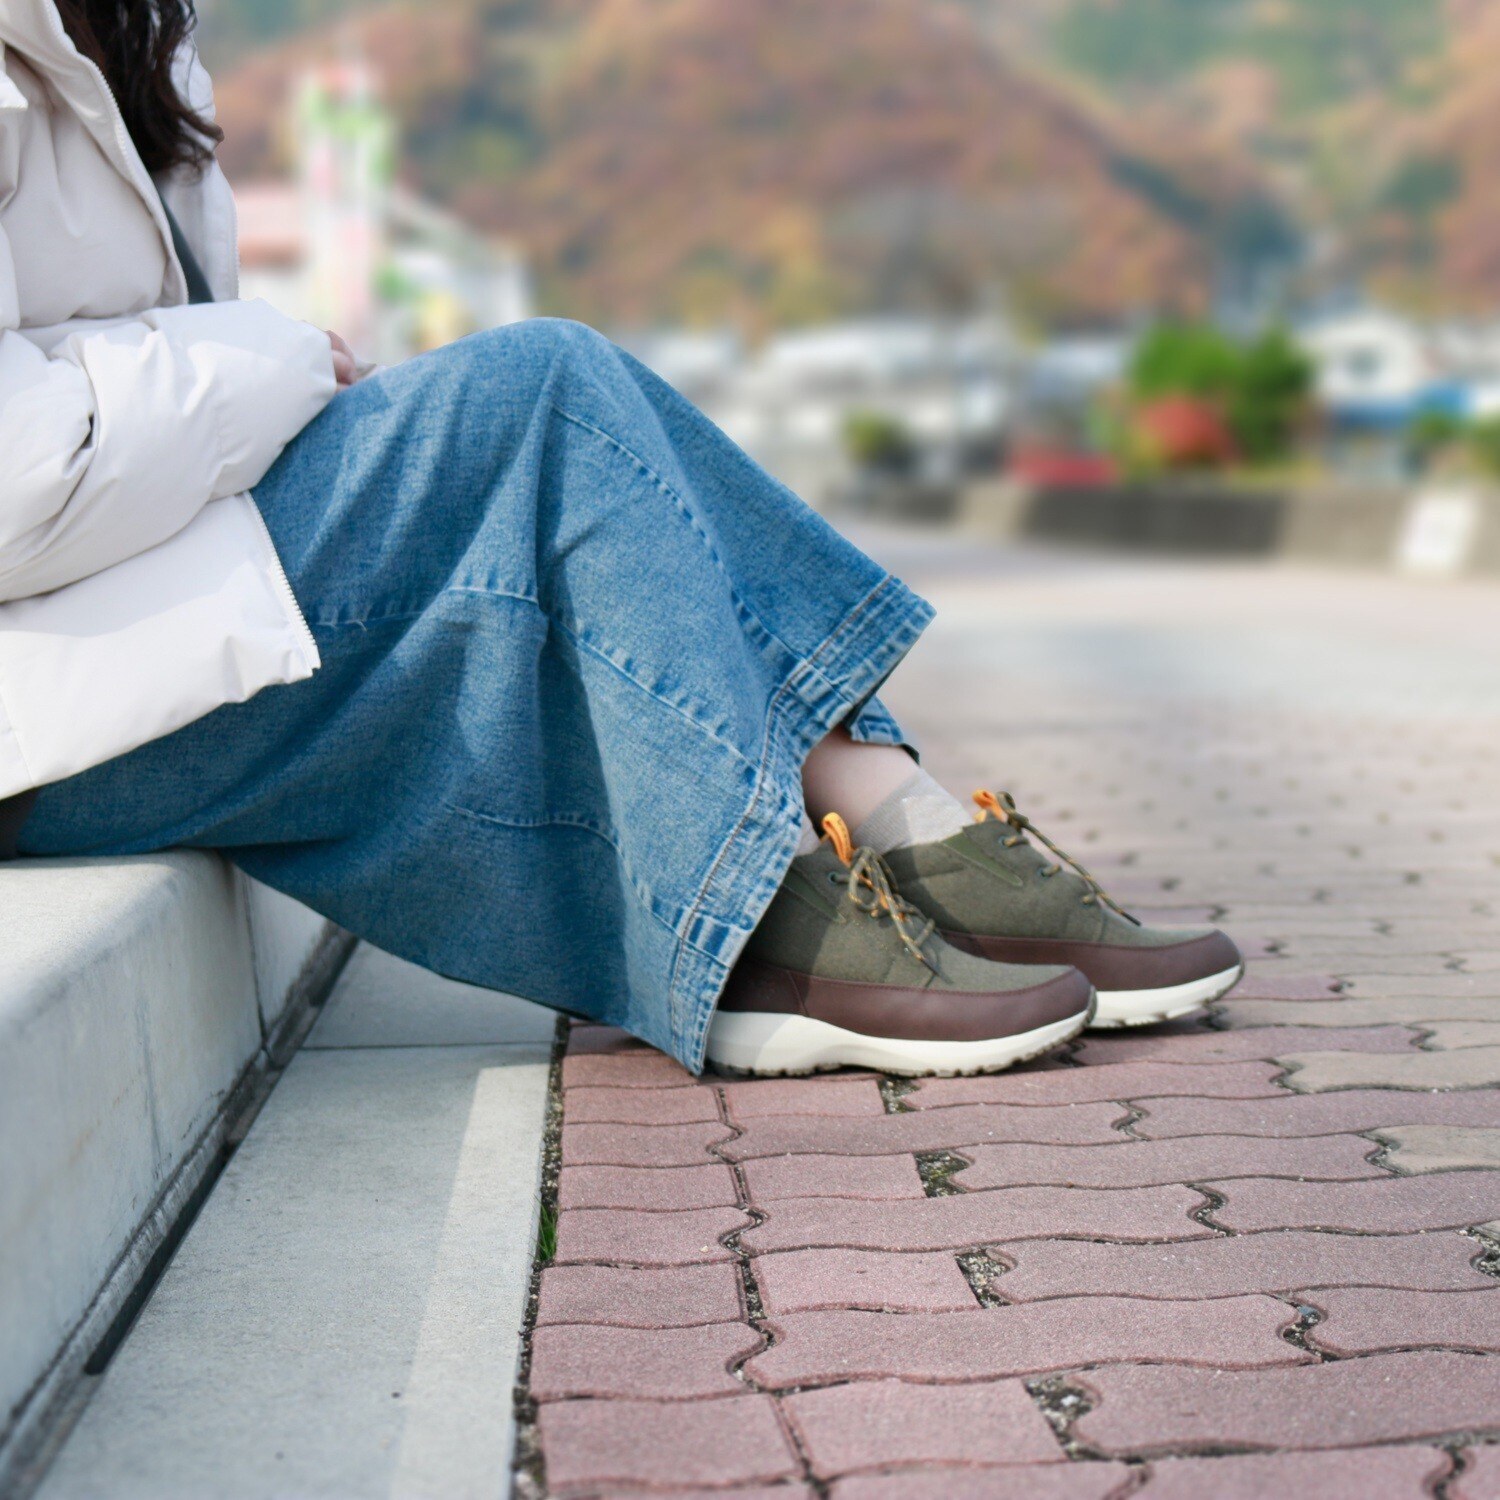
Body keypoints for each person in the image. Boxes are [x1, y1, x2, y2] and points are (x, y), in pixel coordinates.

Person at [0, 0, 1242, 1078]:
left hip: (104, 612)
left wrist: (245, 369)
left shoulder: (116, 28)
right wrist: (261, 358)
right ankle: (773, 901)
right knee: (535, 394)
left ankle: (877, 829)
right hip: (38, 719)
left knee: (562, 395)